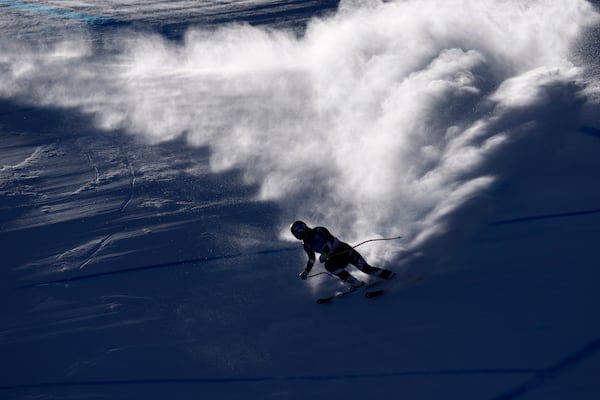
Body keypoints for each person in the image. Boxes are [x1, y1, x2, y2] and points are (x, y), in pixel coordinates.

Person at [290, 220, 395, 288]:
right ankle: (354, 282)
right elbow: (311, 258)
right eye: (297, 236)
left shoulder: (319, 230)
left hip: (344, 250)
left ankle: (391, 276)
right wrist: (307, 271)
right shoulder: (306, 245)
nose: (300, 237)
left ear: (303, 229)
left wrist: (325, 253)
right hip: (335, 258)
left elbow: (330, 240)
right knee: (329, 265)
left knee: (366, 269)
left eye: (300, 234)